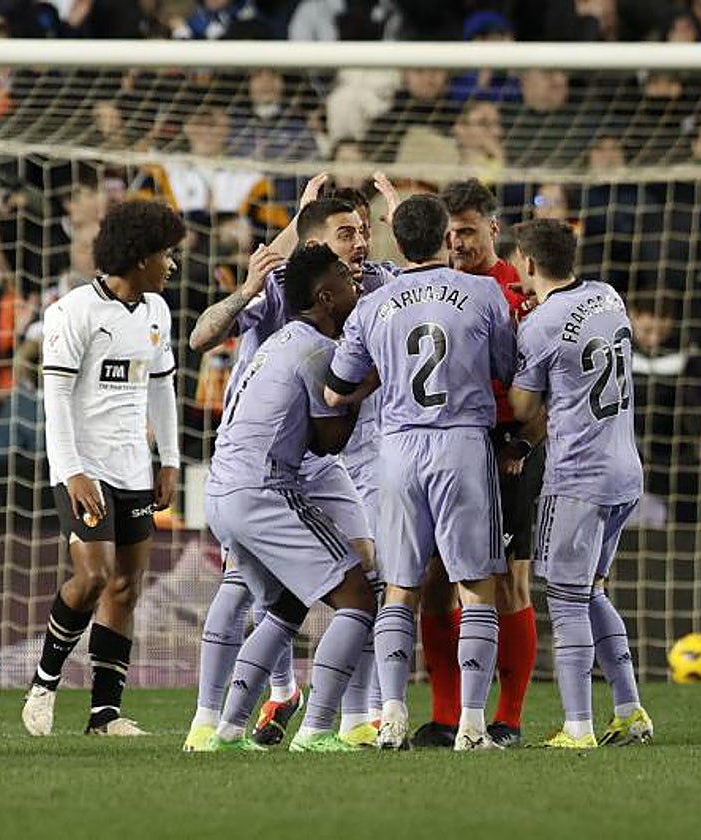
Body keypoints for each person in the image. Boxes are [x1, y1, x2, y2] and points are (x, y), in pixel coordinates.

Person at [183, 188, 396, 750]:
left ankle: (227, 728)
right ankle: (319, 727)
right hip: (269, 483)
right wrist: (366, 383)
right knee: (355, 596)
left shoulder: (297, 332)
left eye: (362, 232)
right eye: (346, 236)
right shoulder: (298, 326)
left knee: (287, 601)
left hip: (232, 484)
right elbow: (328, 440)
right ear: (325, 291)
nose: (359, 258)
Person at [326, 194, 517, 751]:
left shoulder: (373, 304)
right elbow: (506, 366)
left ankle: (389, 718)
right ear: (444, 236)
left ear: (395, 238)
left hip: (397, 449)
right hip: (461, 444)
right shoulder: (483, 292)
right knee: (474, 587)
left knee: (400, 590)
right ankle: (474, 727)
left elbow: (338, 385)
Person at [21, 199, 184, 737]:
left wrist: (169, 460)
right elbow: (56, 397)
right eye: (165, 254)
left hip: (134, 467)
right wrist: (71, 471)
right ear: (139, 258)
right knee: (91, 577)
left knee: (126, 587)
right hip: (82, 466)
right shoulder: (73, 312)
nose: (172, 264)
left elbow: (162, 387)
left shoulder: (156, 311)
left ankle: (104, 714)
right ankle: (43, 686)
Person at [401, 178, 540, 750]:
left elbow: (541, 382)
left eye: (467, 231)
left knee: (507, 580)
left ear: (493, 229)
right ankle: (445, 713)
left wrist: (523, 445)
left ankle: (507, 716)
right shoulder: (433, 286)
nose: (457, 242)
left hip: (505, 444)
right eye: (449, 232)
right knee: (434, 581)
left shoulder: (517, 290)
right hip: (443, 445)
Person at [506, 218, 653, 749]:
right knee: (592, 592)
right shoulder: (607, 296)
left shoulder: (541, 325)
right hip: (624, 470)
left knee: (566, 600)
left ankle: (578, 727)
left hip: (577, 477)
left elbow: (523, 408)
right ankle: (630, 709)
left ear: (526, 261)